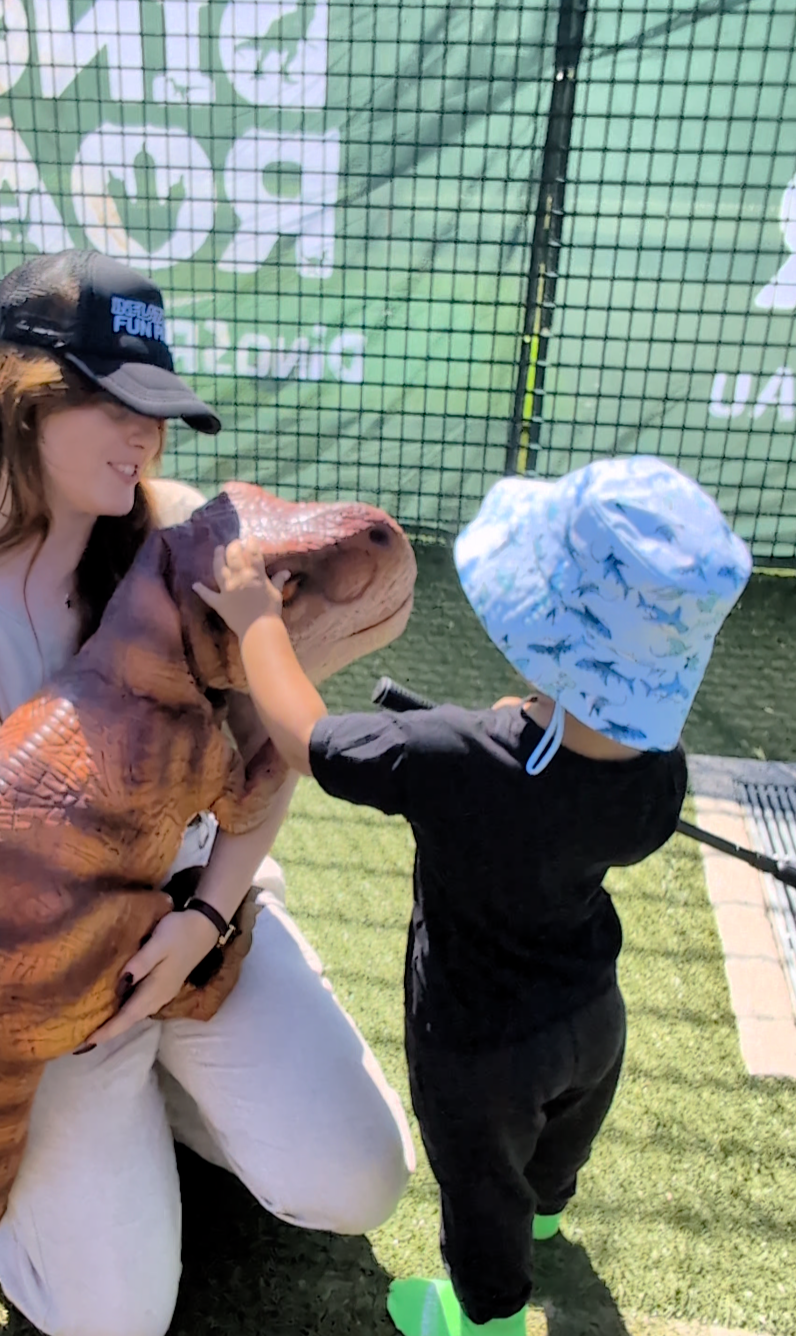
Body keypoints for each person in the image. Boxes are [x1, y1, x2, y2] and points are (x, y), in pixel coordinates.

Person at [0, 249, 414, 1336]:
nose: (145, 437)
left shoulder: (184, 526)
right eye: (116, 404)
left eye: (157, 411)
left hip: (206, 917)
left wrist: (207, 913)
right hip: (60, 981)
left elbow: (263, 761)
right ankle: (28, 1148)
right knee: (112, 1317)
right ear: (19, 399)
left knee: (360, 1180)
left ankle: (175, 1106)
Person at [193, 455, 753, 1336]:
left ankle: (482, 1318)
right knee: (559, 1139)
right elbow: (563, 780)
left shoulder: (448, 755)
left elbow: (306, 738)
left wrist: (261, 620)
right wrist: (534, 718)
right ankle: (551, 1215)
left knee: (478, 1183)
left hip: (479, 1049)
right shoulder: (658, 775)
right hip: (594, 1014)